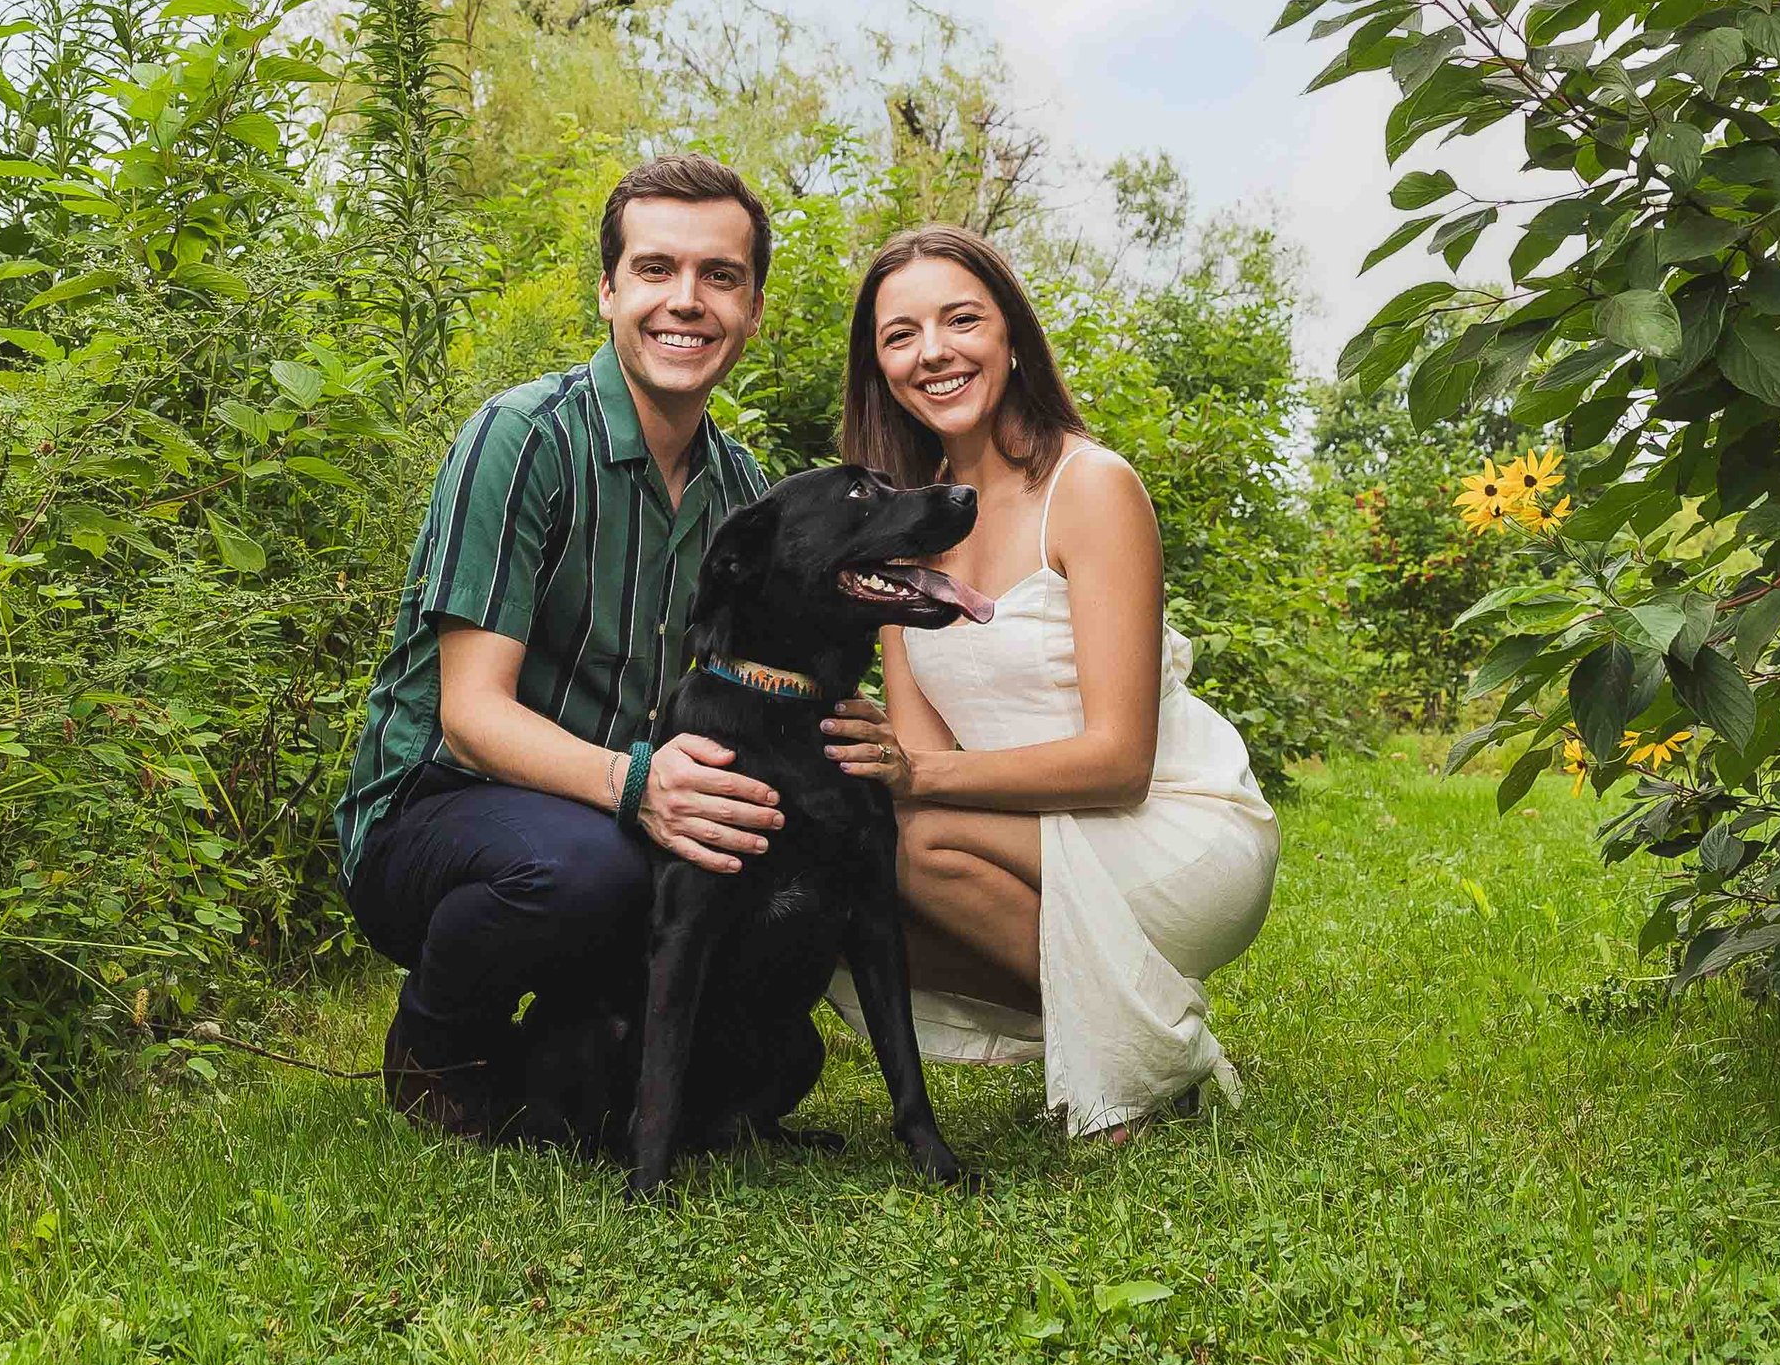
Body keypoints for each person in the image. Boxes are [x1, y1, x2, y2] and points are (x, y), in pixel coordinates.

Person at [335, 153, 782, 1140]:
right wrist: (642, 789)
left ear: (752, 309)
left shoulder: (742, 489)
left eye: (720, 276)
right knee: (586, 874)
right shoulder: (524, 438)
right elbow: (471, 716)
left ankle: (567, 1050)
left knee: (761, 993)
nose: (687, 302)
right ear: (609, 289)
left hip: (607, 814)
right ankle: (438, 1038)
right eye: (656, 270)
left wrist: (847, 728)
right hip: (436, 813)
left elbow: (754, 687)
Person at [821, 225, 1278, 1140]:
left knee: (916, 844)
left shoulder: (1092, 486)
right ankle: (1144, 1034)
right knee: (843, 873)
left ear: (1013, 334)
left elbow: (1119, 765)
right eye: (900, 335)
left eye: (962, 320)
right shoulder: (905, 531)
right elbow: (918, 755)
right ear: (879, 369)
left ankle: (1148, 1059)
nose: (934, 352)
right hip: (1037, 834)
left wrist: (913, 780)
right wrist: (872, 759)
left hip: (1173, 828)